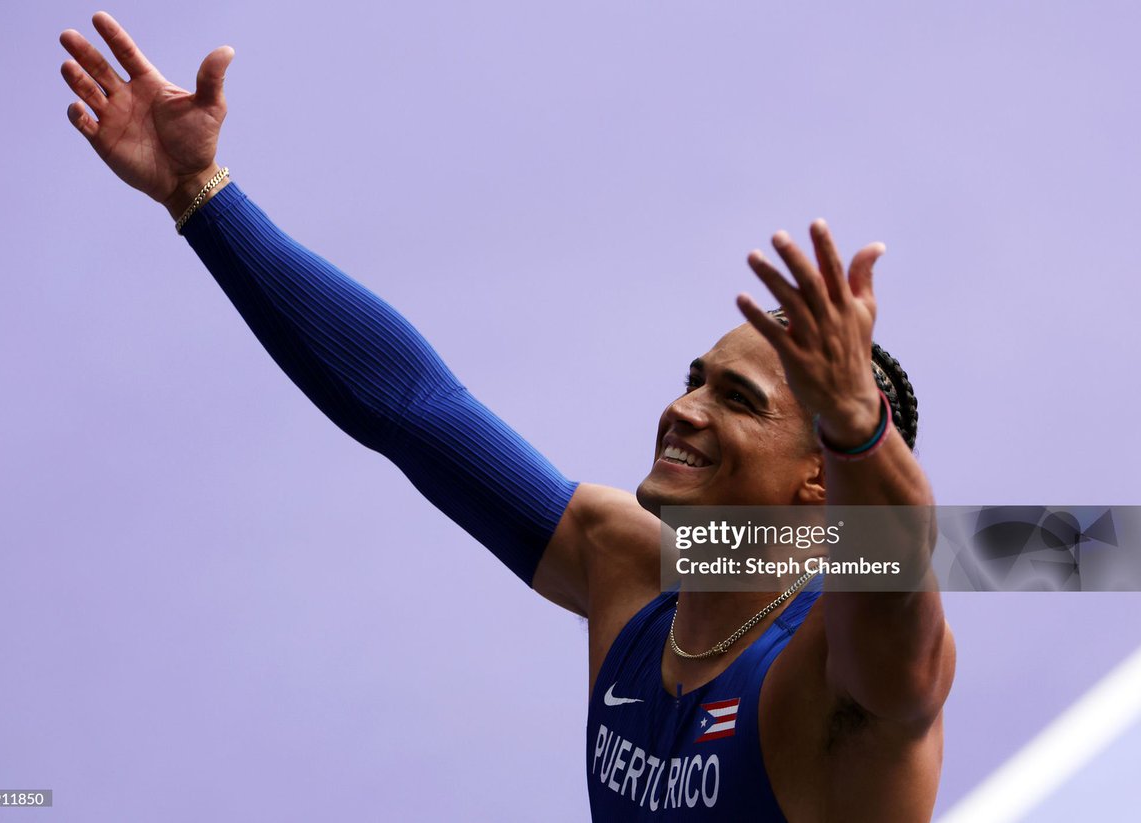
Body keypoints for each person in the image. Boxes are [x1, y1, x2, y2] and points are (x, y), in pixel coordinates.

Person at [59, 12, 956, 821]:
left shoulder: (840, 684)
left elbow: (897, 596)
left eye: (736, 399)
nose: (682, 409)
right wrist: (198, 195)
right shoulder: (627, 564)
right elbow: (416, 409)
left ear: (817, 479)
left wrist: (853, 423)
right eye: (697, 377)